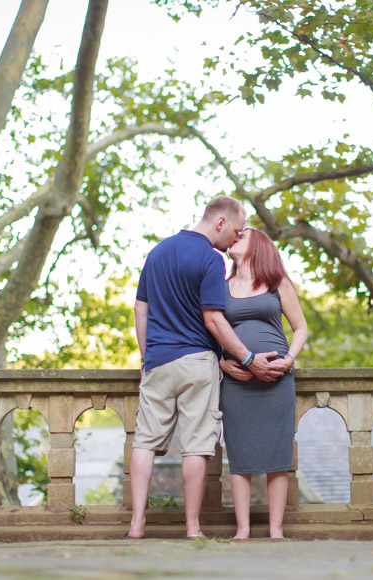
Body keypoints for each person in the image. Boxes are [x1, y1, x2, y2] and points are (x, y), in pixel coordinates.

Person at [126, 196, 286, 540]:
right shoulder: (210, 258)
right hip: (197, 361)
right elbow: (213, 318)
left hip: (157, 362)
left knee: (144, 442)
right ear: (220, 223)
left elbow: (141, 310)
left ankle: (136, 526)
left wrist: (146, 357)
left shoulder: (158, 252)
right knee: (196, 445)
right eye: (237, 230)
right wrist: (246, 358)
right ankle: (193, 528)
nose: (235, 238)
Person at [219, 227, 308, 540]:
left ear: (258, 245)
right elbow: (214, 329)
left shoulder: (276, 282)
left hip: (276, 382)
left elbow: (300, 328)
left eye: (242, 235)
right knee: (239, 457)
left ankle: (275, 530)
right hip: (237, 383)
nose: (234, 237)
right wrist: (223, 362)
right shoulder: (221, 285)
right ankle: (242, 530)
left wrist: (290, 358)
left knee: (276, 456)